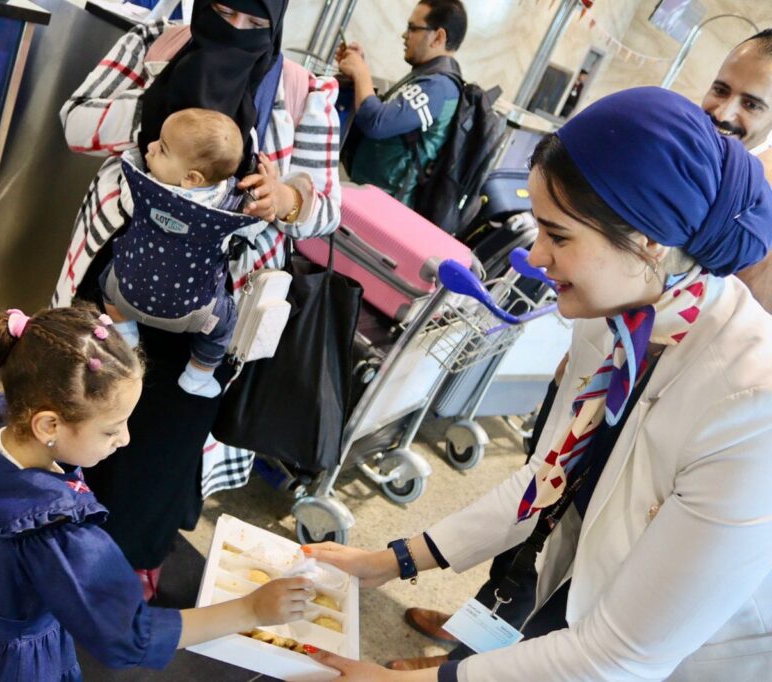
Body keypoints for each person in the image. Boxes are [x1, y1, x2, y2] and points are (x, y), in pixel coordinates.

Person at [304, 87, 772, 680]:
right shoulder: (614, 318)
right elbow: (545, 478)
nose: (536, 256)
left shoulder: (751, 404)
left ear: (650, 241)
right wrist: (391, 560)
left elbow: (622, 655)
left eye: (559, 236)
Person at [0, 304, 313, 679]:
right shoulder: (54, 529)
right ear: (49, 425)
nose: (125, 439)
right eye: (112, 428)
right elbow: (129, 636)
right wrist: (251, 609)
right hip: (4, 663)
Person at [53, 0, 341, 601]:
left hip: (210, 313)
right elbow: (75, 124)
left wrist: (286, 198)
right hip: (112, 282)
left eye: (254, 23)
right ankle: (47, 535)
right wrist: (162, 118)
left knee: (163, 445)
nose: (234, 31)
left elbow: (327, 209)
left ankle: (129, 566)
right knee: (78, 406)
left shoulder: (302, 89)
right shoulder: (155, 44)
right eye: (223, 11)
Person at [99, 108, 249, 398]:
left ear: (191, 177)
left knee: (107, 279)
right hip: (194, 311)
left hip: (125, 291)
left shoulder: (144, 190)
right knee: (224, 324)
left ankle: (125, 332)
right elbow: (251, 229)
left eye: (162, 148)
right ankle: (198, 375)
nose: (151, 146)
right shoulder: (226, 208)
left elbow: (127, 203)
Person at [336, 0, 466, 207]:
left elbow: (376, 122)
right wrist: (357, 72)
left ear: (438, 37)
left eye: (413, 28)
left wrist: (361, 73)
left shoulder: (438, 86)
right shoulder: (427, 77)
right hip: (370, 195)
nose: (405, 35)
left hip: (384, 205)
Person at [703, 28, 772, 313]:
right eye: (720, 90)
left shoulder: (761, 197)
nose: (722, 114)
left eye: (751, 105)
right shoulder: (681, 158)